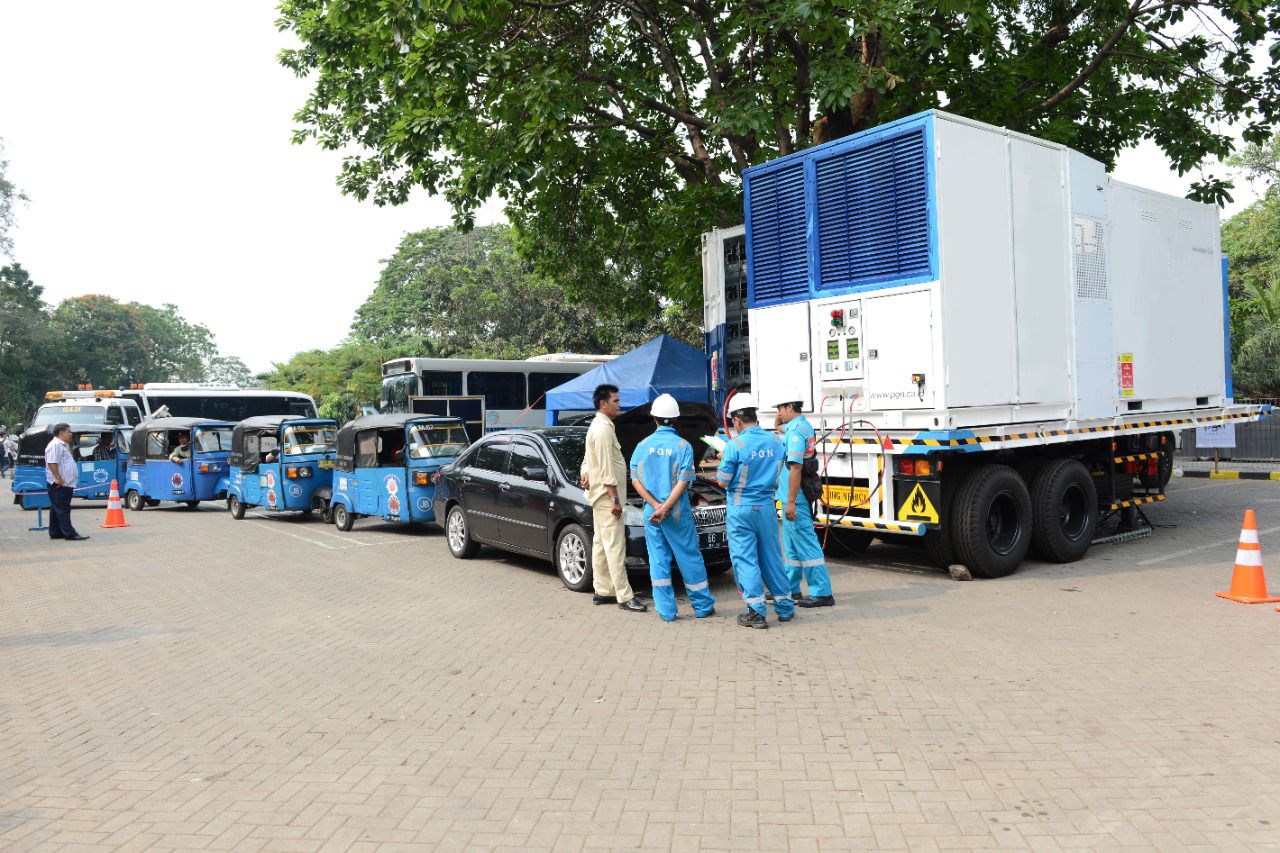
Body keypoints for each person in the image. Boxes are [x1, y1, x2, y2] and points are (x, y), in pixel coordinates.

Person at [629, 394, 715, 622]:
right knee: (689, 557)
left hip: (652, 512)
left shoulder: (642, 445)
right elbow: (684, 481)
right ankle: (703, 606)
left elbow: (635, 479)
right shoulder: (683, 446)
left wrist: (657, 506)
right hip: (676, 512)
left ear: (654, 418)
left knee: (658, 560)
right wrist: (667, 506)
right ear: (676, 419)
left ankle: (666, 612)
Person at [716, 392, 793, 628]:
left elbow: (722, 481)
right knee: (772, 557)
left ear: (737, 420)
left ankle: (756, 612)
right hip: (767, 508)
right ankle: (785, 607)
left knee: (745, 559)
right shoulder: (775, 441)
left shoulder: (734, 445)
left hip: (741, 510)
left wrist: (722, 458)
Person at [580, 383, 646, 612]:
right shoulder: (603, 429)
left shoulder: (599, 426)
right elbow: (607, 468)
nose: (620, 404)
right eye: (616, 401)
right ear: (603, 404)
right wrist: (615, 500)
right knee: (615, 547)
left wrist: (585, 474)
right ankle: (624, 595)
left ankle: (603, 590)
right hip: (607, 497)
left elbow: (589, 460)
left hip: (599, 495)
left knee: (600, 543)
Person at [771, 389, 835, 608]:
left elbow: (796, 467)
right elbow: (781, 428)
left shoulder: (797, 430)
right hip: (791, 494)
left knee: (806, 544)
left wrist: (790, 501)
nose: (779, 412)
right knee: (791, 547)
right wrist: (777, 423)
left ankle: (822, 592)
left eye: (780, 408)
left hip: (795, 496)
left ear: (790, 407)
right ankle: (791, 588)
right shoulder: (797, 426)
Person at [44, 422, 89, 541]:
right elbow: (52, 462)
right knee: (63, 509)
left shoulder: (63, 445)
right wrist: (58, 478)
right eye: (69, 431)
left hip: (66, 483)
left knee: (56, 508)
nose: (71, 434)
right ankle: (70, 533)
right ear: (61, 432)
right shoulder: (55, 445)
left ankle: (55, 531)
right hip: (60, 484)